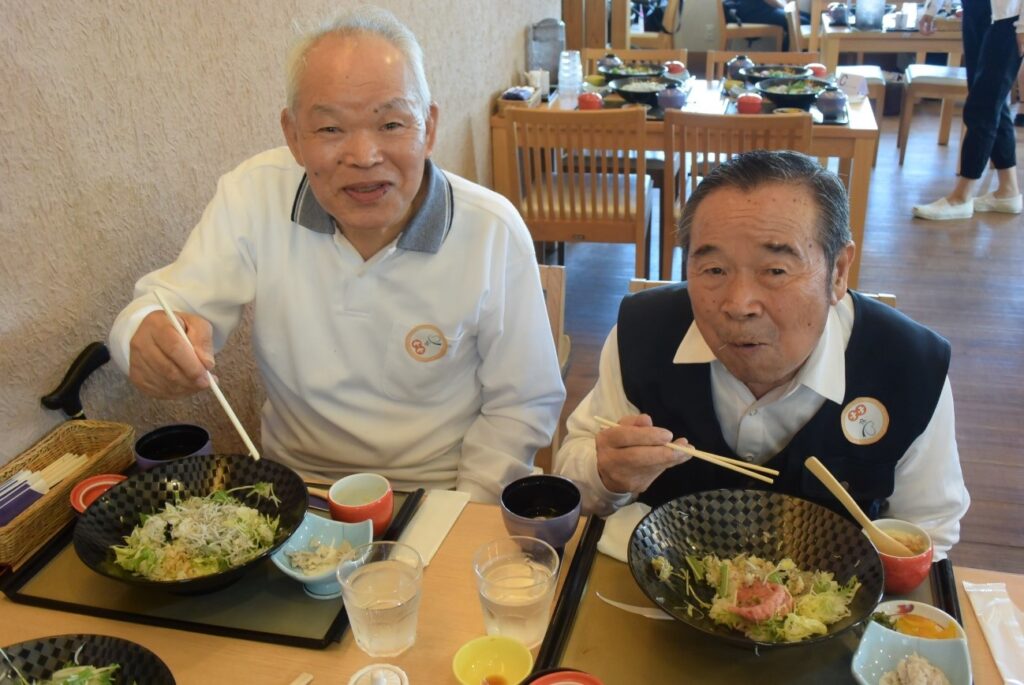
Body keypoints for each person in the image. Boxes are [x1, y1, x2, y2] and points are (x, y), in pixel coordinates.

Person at [108, 7, 565, 502]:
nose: (364, 155)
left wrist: (460, 510)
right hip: (295, 493)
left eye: (391, 123)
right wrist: (144, 333)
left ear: (429, 128)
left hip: (435, 492)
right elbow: (167, 307)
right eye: (330, 130)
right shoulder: (254, 194)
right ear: (293, 136)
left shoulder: (491, 229)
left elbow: (523, 400)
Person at [554, 151, 970, 557]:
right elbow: (572, 471)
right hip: (661, 597)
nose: (739, 304)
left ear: (839, 271)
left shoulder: (910, 366)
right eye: (714, 270)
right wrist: (607, 474)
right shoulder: (643, 334)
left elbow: (929, 529)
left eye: (775, 271)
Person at [912, 0, 1024, 219]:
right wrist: (931, 9)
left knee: (982, 106)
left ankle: (962, 197)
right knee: (992, 101)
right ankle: (1008, 191)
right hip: (975, 10)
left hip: (1008, 18)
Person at [724, 0, 794, 51]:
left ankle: (786, 62)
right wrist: (787, 8)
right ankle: (785, 63)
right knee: (794, 22)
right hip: (750, 14)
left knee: (801, 18)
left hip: (760, 10)